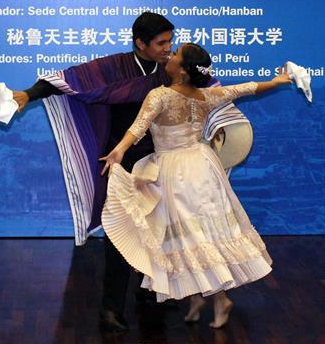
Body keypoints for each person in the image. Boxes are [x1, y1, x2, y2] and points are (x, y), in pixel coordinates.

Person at [1, 12, 251, 332]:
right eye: (162, 43)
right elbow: (67, 80)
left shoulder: (174, 71)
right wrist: (27, 95)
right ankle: (110, 308)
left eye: (171, 42)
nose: (168, 48)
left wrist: (224, 130)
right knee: (120, 235)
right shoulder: (113, 68)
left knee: (161, 231)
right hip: (120, 162)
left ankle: (150, 292)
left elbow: (210, 94)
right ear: (140, 44)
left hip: (163, 164)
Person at [98, 43, 291, 328]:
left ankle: (220, 298)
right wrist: (276, 82)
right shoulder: (207, 95)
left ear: (184, 70)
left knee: (195, 235)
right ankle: (200, 295)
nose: (170, 55)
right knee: (197, 234)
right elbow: (246, 88)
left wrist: (120, 150)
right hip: (201, 167)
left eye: (175, 54)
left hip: (175, 172)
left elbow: (138, 127)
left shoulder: (160, 95)